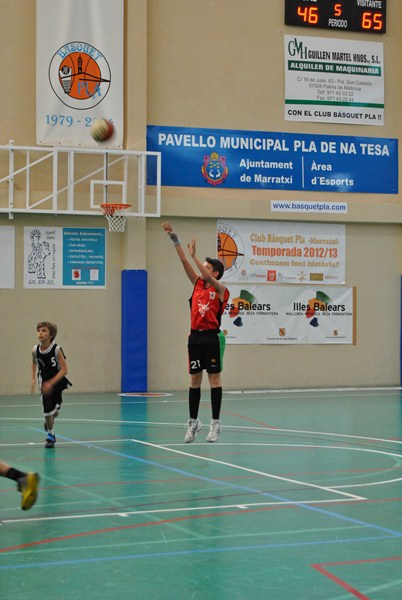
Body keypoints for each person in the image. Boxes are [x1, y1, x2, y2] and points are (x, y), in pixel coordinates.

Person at [162, 222, 230, 443]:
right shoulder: (197, 284)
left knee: (214, 379)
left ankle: (215, 424)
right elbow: (184, 262)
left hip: (212, 337)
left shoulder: (220, 290)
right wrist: (176, 240)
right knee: (194, 380)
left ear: (215, 273)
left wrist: (195, 257)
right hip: (195, 337)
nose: (202, 270)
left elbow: (207, 276)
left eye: (207, 267)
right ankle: (193, 422)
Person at [31, 321, 72, 448]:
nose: (40, 333)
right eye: (39, 330)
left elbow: (64, 370)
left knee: (55, 410)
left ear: (51, 335)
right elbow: (34, 362)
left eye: (44, 331)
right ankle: (51, 435)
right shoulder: (35, 350)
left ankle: (53, 416)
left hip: (57, 380)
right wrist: (33, 379)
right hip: (44, 382)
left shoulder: (56, 349)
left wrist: (51, 383)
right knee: (47, 411)